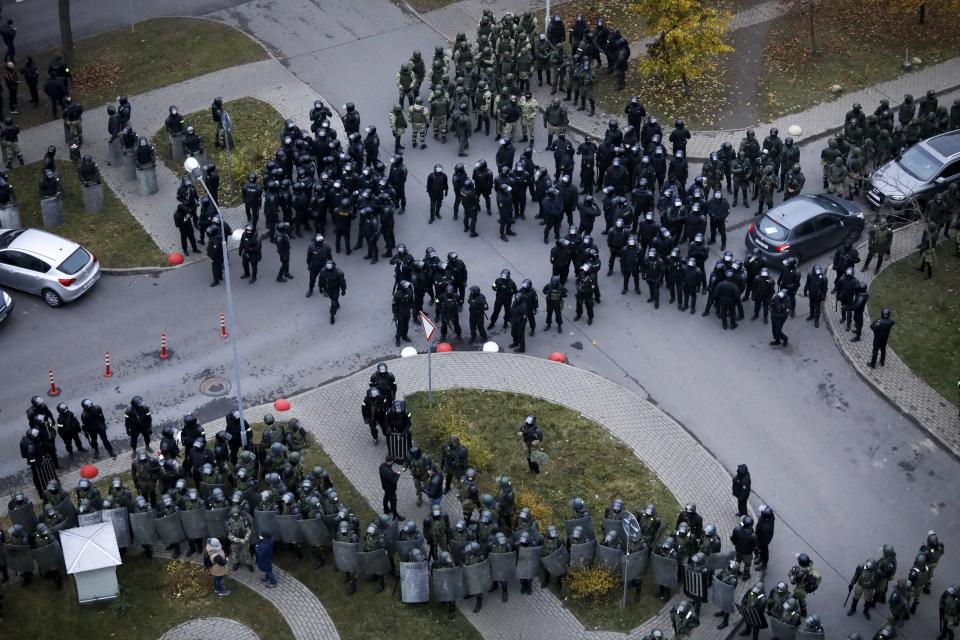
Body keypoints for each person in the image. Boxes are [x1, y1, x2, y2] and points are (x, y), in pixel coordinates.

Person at [379, 455, 402, 520]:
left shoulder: (382, 466)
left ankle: (386, 510)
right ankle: (395, 517)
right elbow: (394, 481)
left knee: (386, 498)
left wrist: (395, 460)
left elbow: (390, 477)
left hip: (385, 487)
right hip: (391, 489)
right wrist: (398, 474)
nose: (392, 462)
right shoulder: (388, 472)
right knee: (393, 502)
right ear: (389, 462)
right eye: (392, 461)